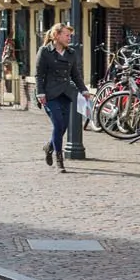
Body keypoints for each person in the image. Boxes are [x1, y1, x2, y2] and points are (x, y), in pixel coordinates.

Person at [36, 23, 91, 173]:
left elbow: (75, 75)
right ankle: (59, 159)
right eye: (66, 35)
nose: (69, 38)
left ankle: (49, 147)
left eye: (70, 35)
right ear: (56, 36)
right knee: (58, 124)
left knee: (63, 126)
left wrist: (84, 90)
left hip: (65, 94)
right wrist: (40, 93)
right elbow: (39, 75)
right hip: (49, 95)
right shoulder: (44, 52)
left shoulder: (71, 53)